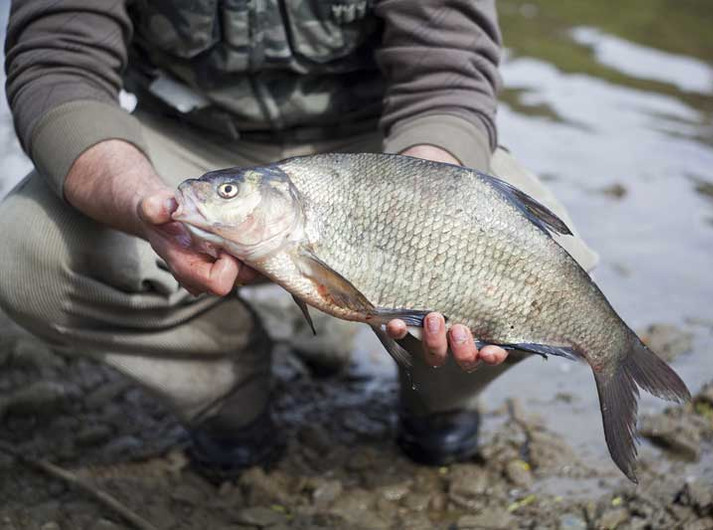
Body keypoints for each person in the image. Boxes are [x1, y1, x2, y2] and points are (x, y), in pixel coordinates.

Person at [0, 1, 598, 478]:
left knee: (551, 270)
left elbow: (447, 73)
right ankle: (225, 392)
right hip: (194, 140)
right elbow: (59, 63)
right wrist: (139, 201)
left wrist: (422, 202)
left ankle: (439, 396)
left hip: (381, 150)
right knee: (23, 252)